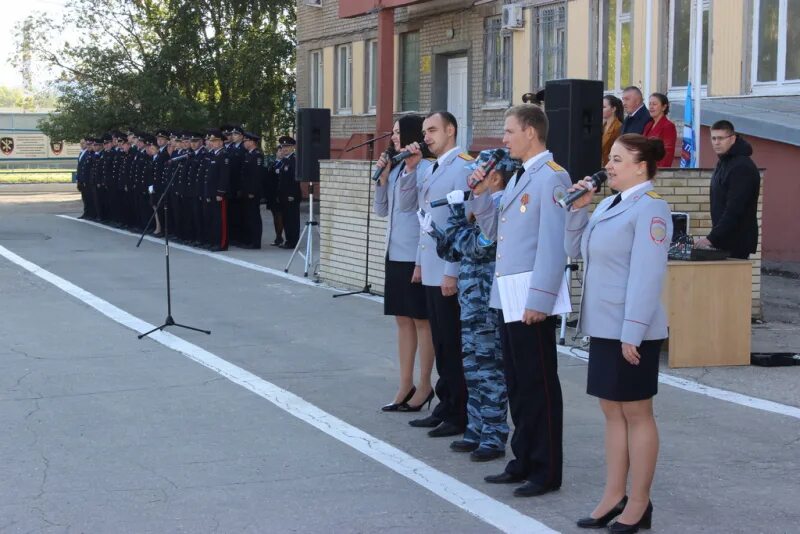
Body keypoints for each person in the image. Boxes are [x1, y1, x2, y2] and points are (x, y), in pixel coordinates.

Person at [565, 134, 672, 532]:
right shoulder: (610, 204)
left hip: (633, 328)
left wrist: (633, 331)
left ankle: (640, 502)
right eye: (609, 159)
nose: (608, 166)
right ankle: (614, 495)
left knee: (636, 411)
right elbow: (574, 250)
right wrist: (577, 210)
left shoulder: (651, 209)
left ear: (641, 166)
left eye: (617, 159)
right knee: (611, 410)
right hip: (605, 325)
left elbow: (648, 274)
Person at [473, 104, 570, 498]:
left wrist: (541, 299)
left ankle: (545, 469)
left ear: (531, 132)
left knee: (538, 384)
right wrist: (480, 193)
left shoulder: (552, 178)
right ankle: (523, 459)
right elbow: (493, 230)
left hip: (531, 296)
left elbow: (553, 244)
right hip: (508, 294)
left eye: (510, 131)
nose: (504, 138)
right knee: (516, 382)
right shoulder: (517, 178)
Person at [417, 163, 510, 462]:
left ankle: (494, 435)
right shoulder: (478, 208)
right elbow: (454, 251)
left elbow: (478, 246)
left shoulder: (498, 209)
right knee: (472, 368)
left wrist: (456, 216)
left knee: (489, 371)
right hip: (469, 305)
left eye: (479, 175)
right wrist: (434, 232)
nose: (473, 179)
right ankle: (476, 427)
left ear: (495, 178)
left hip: (486, 304)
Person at [403, 111, 472, 439]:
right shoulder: (433, 167)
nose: (426, 136)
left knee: (454, 343)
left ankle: (459, 412)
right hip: (430, 267)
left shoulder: (464, 167)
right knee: (442, 343)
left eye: (432, 130)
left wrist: (452, 272)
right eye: (424, 131)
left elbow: (462, 225)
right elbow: (426, 220)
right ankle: (445, 405)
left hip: (447, 270)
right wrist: (419, 262)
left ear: (451, 130)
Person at [372, 116, 436, 413]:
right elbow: (382, 210)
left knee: (422, 321)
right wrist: (383, 179)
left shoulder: (424, 168)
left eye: (399, 133)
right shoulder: (396, 169)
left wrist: (409, 169)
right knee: (402, 320)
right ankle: (405, 383)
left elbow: (412, 207)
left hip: (415, 255)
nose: (394, 138)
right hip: (394, 253)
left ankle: (424, 385)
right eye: (393, 133)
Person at [694, 120, 761, 259]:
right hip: (725, 241)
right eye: (713, 138)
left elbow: (735, 209)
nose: (716, 142)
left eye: (721, 138)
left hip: (737, 243)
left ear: (732, 139)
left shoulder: (741, 167)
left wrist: (711, 239)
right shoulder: (724, 162)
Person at [203, 129, 231, 251]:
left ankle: (222, 243)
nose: (212, 143)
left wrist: (220, 192)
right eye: (211, 141)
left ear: (221, 142)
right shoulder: (213, 155)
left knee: (220, 219)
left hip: (219, 193)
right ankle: (213, 241)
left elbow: (224, 176)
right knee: (212, 218)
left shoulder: (224, 155)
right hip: (211, 191)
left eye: (214, 141)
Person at [241, 131, 265, 249]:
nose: (244, 143)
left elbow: (256, 176)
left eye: (245, 141)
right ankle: (250, 240)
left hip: (252, 192)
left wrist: (252, 191)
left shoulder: (257, 155)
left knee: (254, 216)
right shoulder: (249, 154)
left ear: (251, 142)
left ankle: (255, 242)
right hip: (247, 191)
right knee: (248, 216)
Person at [276, 135, 301, 249]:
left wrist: (292, 195)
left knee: (292, 219)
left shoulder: (294, 160)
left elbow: (295, 180)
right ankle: (288, 240)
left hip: (291, 196)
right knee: (286, 219)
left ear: (293, 147)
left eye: (287, 146)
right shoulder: (284, 160)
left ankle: (293, 242)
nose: (285, 149)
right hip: (283, 195)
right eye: (283, 146)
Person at [642, 93, 677, 168]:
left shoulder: (668, 126)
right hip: (645, 167)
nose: (651, 107)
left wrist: (661, 170)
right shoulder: (648, 125)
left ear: (664, 107)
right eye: (650, 104)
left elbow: (668, 152)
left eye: (654, 104)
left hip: (658, 169)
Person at [266, 145, 285, 246]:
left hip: (280, 195)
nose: (281, 152)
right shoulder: (273, 164)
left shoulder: (285, 164)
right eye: (279, 151)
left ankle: (279, 237)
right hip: (272, 195)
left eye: (283, 151)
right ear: (276, 153)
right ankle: (278, 236)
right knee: (275, 216)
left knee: (280, 216)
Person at [602, 95, 623, 166]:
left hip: (612, 166)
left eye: (604, 107)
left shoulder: (619, 127)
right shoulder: (603, 126)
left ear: (613, 109)